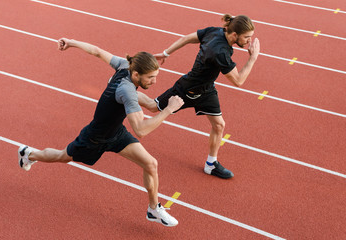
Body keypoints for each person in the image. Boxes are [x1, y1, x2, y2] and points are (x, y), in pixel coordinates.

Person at [17, 38, 184, 227]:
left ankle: (153, 209)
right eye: (151, 77)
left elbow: (96, 51)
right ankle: (29, 153)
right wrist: (168, 110)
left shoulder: (124, 65)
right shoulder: (127, 91)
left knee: (151, 164)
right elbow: (140, 130)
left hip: (116, 133)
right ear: (136, 74)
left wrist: (71, 42)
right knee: (62, 156)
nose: (154, 81)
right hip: (94, 138)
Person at [138, 14, 260, 179]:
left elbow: (186, 38)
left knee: (219, 125)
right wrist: (252, 58)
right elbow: (238, 81)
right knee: (153, 106)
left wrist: (166, 53)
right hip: (187, 90)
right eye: (247, 37)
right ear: (234, 35)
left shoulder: (215, 31)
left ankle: (211, 164)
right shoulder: (220, 52)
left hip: (206, 90)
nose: (249, 41)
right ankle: (123, 90)